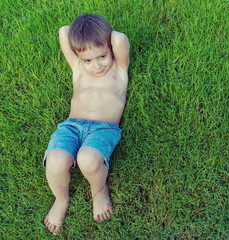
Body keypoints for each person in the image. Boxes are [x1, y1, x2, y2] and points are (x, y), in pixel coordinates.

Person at [43, 14, 130, 236]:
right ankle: (61, 200)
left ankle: (98, 190)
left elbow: (120, 38)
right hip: (71, 126)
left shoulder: (118, 71)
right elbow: (64, 31)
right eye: (88, 60)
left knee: (88, 159)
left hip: (103, 128)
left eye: (102, 55)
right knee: (54, 161)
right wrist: (83, 36)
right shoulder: (78, 69)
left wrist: (107, 38)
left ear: (110, 48)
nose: (97, 65)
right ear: (79, 58)